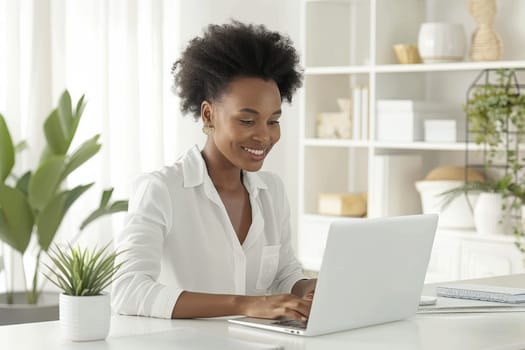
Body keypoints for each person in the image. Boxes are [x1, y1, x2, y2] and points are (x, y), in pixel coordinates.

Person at [112, 21, 316, 322]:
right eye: (247, 121)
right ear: (209, 114)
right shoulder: (162, 189)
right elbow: (127, 289)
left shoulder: (271, 191)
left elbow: (284, 274)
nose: (264, 136)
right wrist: (245, 304)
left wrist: (309, 288)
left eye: (273, 121)